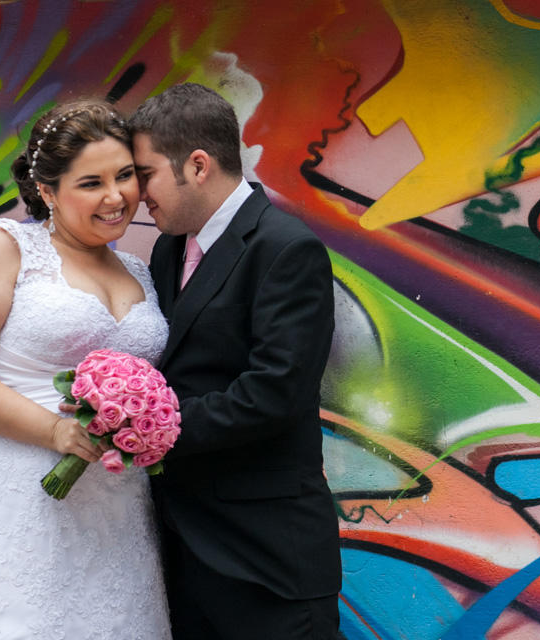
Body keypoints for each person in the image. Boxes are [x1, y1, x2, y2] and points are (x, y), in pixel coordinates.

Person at [0, 100, 172, 639]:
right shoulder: (4, 248)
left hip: (116, 510)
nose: (116, 196)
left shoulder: (141, 270)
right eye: (91, 182)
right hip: (13, 491)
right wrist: (53, 429)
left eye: (125, 176)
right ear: (47, 190)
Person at [129, 83, 341, 639]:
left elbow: (275, 393)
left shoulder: (285, 249)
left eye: (145, 173)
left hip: (265, 558)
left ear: (197, 165)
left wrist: (148, 430)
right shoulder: (168, 248)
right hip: (184, 552)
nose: (136, 193)